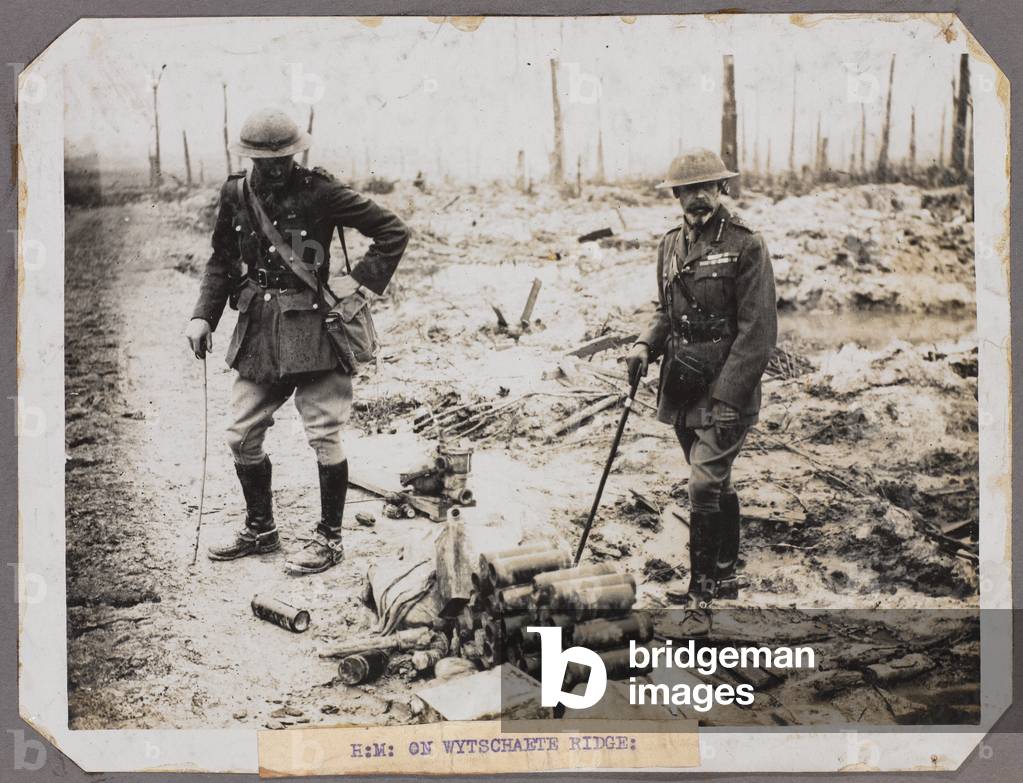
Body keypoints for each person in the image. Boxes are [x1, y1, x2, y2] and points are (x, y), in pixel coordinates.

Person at [185, 107, 409, 574]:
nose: (276, 168)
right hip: (260, 331)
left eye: (284, 158)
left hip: (316, 329)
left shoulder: (320, 192)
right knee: (242, 434)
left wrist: (359, 281)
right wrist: (203, 316)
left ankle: (329, 539)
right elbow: (222, 260)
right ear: (249, 158)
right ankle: (261, 529)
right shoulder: (236, 194)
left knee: (324, 434)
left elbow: (392, 231)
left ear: (296, 154)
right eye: (265, 160)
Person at [626, 148, 777, 635]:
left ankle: (702, 591)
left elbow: (758, 333)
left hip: (727, 387)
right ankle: (727, 572)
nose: (697, 198)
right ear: (675, 196)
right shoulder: (669, 246)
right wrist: (644, 344)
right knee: (714, 480)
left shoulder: (746, 243)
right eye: (687, 190)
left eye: (706, 188)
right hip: (683, 385)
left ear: (722, 190)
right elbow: (666, 313)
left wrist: (729, 398)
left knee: (703, 483)